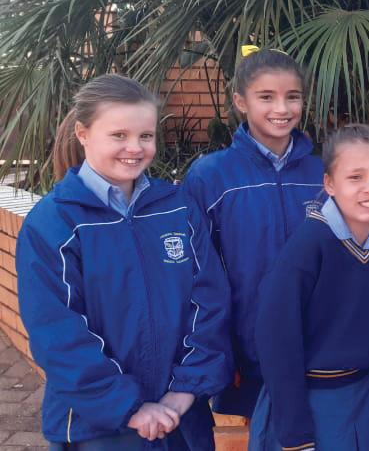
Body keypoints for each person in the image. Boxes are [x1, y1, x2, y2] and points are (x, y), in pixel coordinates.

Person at [17, 74, 231, 449]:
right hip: (100, 427)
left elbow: (210, 302)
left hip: (182, 419)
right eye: (119, 135)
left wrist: (184, 391)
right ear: (83, 134)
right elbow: (57, 333)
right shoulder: (55, 222)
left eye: (145, 136)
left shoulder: (178, 208)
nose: (135, 148)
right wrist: (129, 407)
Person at [182, 45, 325, 417]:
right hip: (247, 357)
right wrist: (220, 353)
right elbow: (197, 273)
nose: (282, 108)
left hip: (318, 351)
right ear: (240, 102)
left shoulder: (323, 174)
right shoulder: (211, 176)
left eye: (292, 97)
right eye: (266, 97)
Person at [251, 124, 369, 451]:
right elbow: (276, 339)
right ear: (330, 184)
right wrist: (295, 434)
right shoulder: (309, 245)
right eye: (355, 177)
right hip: (309, 402)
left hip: (364, 396)